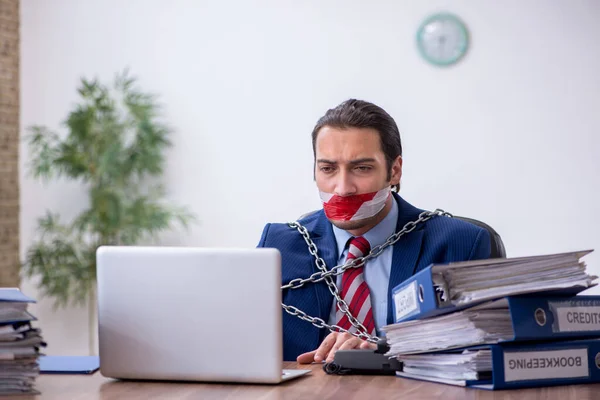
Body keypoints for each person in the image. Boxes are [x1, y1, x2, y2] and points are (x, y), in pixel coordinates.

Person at [257, 99, 491, 363]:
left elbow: (481, 351)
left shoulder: (460, 243)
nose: (343, 188)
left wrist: (381, 349)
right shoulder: (278, 246)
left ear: (394, 171)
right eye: (328, 168)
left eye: (362, 168)